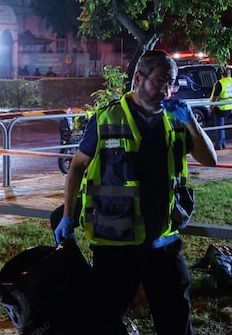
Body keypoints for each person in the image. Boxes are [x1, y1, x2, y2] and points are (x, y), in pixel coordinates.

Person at [54, 50, 217, 334]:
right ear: (138, 78)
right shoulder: (106, 118)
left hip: (163, 244)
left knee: (176, 323)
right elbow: (77, 167)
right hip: (116, 247)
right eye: (159, 82)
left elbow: (210, 159)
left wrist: (191, 121)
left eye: (171, 83)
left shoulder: (176, 119)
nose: (166, 90)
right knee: (103, 322)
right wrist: (68, 216)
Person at [209, 67, 232, 150]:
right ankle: (223, 143)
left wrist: (210, 107)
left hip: (220, 108)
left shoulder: (220, 83)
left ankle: (219, 144)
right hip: (230, 107)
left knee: (219, 127)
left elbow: (215, 97)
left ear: (222, 74)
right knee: (223, 127)